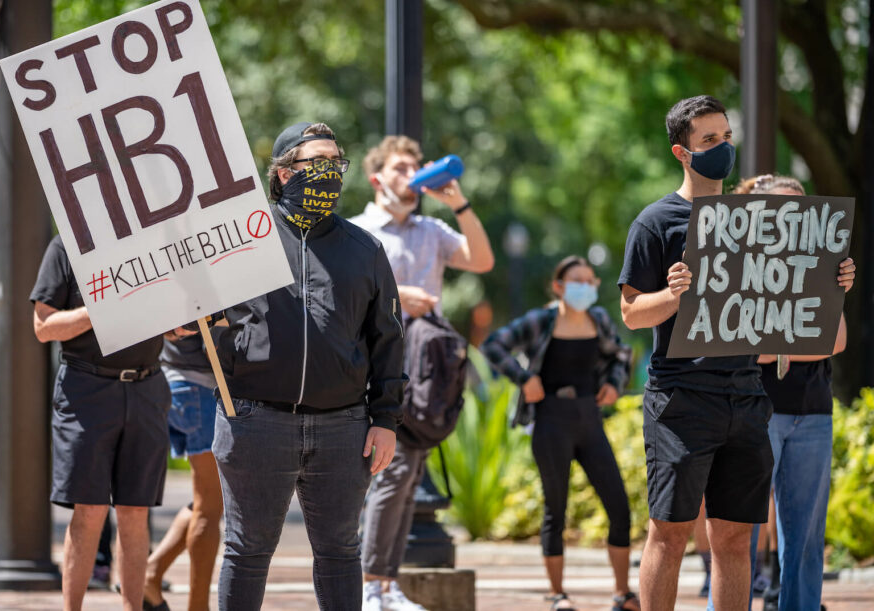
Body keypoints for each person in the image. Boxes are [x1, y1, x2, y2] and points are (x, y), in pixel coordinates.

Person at [617, 95, 854, 611]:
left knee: (735, 538)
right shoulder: (656, 222)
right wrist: (672, 295)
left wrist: (830, 285)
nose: (723, 148)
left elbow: (801, 326)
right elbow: (632, 313)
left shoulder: (757, 225)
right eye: (709, 140)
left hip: (748, 397)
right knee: (670, 533)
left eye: (726, 137)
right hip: (681, 400)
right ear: (683, 152)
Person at [211, 121, 405, 611]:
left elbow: (388, 340)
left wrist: (385, 420)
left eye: (335, 164)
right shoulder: (238, 240)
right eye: (315, 164)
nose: (329, 174)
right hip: (255, 423)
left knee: (341, 552)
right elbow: (198, 315)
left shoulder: (365, 250)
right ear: (281, 175)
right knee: (247, 551)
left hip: (344, 427)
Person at [350, 134, 493, 611]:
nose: (410, 175)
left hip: (421, 368)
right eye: (399, 168)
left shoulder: (431, 229)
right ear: (376, 178)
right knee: (389, 477)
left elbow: (482, 261)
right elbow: (339, 302)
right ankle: (371, 586)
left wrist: (459, 202)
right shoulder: (355, 232)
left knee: (407, 476)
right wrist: (397, 296)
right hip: (372, 366)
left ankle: (385, 586)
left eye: (415, 167)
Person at [483, 256, 639, 611]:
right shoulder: (540, 321)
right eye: (576, 280)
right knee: (556, 508)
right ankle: (557, 594)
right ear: (559, 286)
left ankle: (622, 593)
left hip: (589, 418)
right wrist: (524, 379)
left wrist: (615, 385)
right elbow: (493, 345)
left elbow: (622, 354)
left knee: (619, 506)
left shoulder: (598, 319)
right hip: (551, 420)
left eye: (590, 280)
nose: (584, 286)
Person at [31, 234, 173, 611]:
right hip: (86, 389)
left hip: (147, 387)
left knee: (135, 511)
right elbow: (43, 326)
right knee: (90, 510)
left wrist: (182, 321)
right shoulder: (66, 247)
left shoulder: (156, 242)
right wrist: (101, 308)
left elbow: (172, 318)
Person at [733, 174, 851, 611]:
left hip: (814, 413)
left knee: (804, 540)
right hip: (754, 413)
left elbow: (834, 341)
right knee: (738, 535)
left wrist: (776, 350)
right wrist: (793, 348)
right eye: (780, 209)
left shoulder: (826, 266)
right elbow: (741, 349)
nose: (791, 219)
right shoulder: (739, 268)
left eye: (799, 209)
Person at [142, 332, 224, 611]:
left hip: (178, 382)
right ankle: (197, 606)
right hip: (199, 386)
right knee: (210, 506)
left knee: (209, 501)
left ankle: (151, 573)